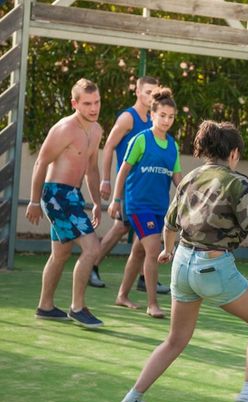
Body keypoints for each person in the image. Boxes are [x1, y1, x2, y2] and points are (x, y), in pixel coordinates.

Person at [117, 120, 248, 402]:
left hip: (181, 263)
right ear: (234, 153)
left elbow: (170, 224)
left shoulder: (190, 178)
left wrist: (167, 250)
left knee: (175, 340)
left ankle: (132, 397)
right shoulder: (238, 182)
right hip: (213, 267)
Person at [25, 78, 104, 329]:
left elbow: (92, 169)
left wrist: (97, 203)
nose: (94, 108)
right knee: (92, 248)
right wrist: (34, 201)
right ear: (74, 104)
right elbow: (41, 162)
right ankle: (77, 308)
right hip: (55, 195)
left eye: (97, 102)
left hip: (73, 195)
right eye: (87, 103)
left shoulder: (96, 130)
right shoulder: (64, 128)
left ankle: (45, 306)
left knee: (60, 253)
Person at [90, 75, 170, 297]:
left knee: (136, 232)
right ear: (137, 92)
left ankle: (144, 277)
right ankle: (91, 265)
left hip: (145, 187)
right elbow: (108, 147)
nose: (151, 96)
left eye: (155, 92)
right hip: (129, 186)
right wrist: (106, 179)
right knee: (122, 227)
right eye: (147, 92)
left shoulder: (154, 119)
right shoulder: (128, 118)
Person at [108, 86, 182, 318]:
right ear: (152, 115)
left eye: (171, 117)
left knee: (139, 251)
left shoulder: (173, 145)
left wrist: (190, 200)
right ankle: (152, 304)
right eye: (162, 115)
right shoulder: (140, 139)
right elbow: (123, 171)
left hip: (160, 207)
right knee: (153, 250)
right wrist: (116, 200)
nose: (166, 120)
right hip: (138, 205)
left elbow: (177, 178)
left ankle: (122, 295)